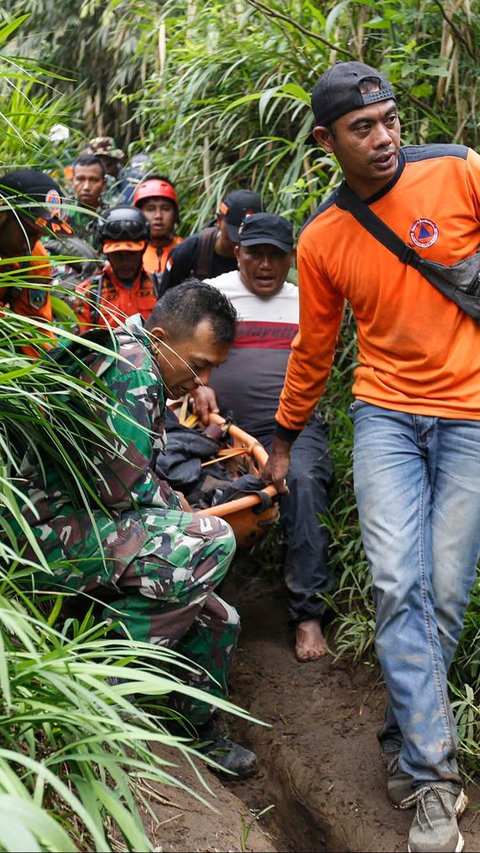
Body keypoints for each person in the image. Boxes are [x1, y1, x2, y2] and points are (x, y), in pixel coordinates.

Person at [262, 59, 480, 853]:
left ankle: (402, 732)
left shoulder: (458, 170)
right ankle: (433, 778)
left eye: (389, 119)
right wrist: (284, 437)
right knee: (398, 582)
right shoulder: (323, 236)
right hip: (386, 417)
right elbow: (315, 349)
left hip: (471, 414)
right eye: (363, 127)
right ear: (327, 140)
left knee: (445, 594)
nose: (384, 137)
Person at [12, 279, 258, 778]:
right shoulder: (133, 369)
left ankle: (199, 731)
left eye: (212, 367)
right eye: (198, 364)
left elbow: (130, 484)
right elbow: (119, 492)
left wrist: (173, 506)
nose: (202, 380)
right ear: (162, 336)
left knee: (220, 617)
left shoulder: (132, 354)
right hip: (41, 537)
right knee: (213, 541)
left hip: (84, 525)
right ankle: (102, 680)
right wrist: (182, 512)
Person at [193, 212, 334, 661]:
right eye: (256, 254)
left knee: (307, 484)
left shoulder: (306, 299)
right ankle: (195, 608)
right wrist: (199, 383)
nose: (267, 265)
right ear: (238, 253)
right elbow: (173, 346)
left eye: (277, 255)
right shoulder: (212, 295)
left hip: (293, 430)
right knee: (180, 486)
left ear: (291, 258)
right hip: (222, 430)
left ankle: (307, 615)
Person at [0, 168, 73, 354]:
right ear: (3, 215)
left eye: (39, 236)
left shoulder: (33, 257)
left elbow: (35, 326)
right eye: (29, 233)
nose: (31, 245)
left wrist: (49, 372)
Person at [74, 205, 160, 333]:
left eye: (131, 254)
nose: (125, 262)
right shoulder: (88, 292)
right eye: (117, 254)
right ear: (106, 252)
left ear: (143, 250)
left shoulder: (160, 286)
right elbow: (81, 343)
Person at [160, 189, 262, 291]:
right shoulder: (188, 252)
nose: (240, 243)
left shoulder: (266, 256)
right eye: (236, 235)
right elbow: (164, 301)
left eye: (249, 237)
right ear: (219, 220)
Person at [133, 177, 183, 274]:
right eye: (150, 209)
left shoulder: (186, 249)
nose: (158, 216)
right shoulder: (131, 255)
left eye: (165, 208)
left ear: (175, 214)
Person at [67, 153, 107, 244]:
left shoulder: (111, 214)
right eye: (80, 179)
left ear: (104, 184)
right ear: (72, 181)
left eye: (93, 180)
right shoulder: (61, 211)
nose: (86, 187)